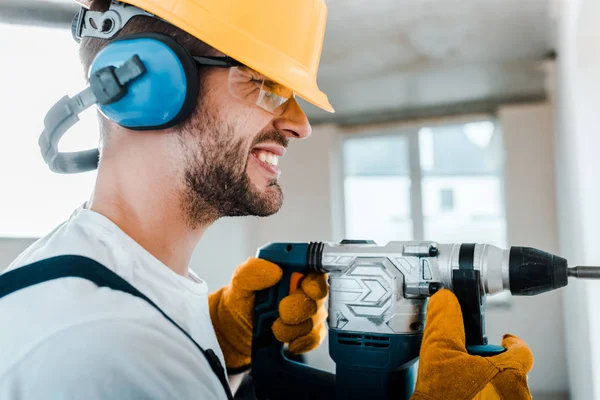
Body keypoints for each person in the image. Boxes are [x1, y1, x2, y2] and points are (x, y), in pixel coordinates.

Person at [0, 0, 532, 398]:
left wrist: (225, 361)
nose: (300, 124)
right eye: (266, 83)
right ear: (143, 85)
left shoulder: (117, 297)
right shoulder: (108, 350)